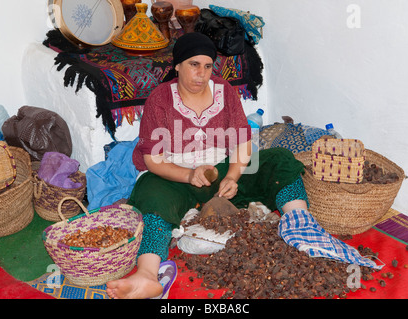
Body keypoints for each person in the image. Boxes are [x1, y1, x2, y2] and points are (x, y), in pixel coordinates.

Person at [106, 32, 309, 299]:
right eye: (193, 64)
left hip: (219, 168)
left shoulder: (224, 91)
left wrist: (233, 176)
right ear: (177, 65)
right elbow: (152, 159)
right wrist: (189, 175)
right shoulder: (160, 100)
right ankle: (147, 275)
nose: (201, 74)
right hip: (175, 175)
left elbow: (242, 143)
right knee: (151, 194)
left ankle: (303, 229)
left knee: (278, 160)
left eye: (207, 66)